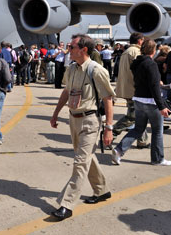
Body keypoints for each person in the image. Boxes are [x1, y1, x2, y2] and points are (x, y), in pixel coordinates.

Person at [49, 34, 114, 221]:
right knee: (85, 157)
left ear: (83, 50)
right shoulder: (71, 69)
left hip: (90, 121)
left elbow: (108, 100)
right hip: (73, 119)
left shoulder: (97, 70)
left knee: (79, 162)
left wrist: (109, 128)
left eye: (71, 46)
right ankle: (101, 190)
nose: (68, 49)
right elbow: (67, 92)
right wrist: (55, 114)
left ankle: (67, 204)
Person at [112, 39, 171, 166]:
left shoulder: (137, 63)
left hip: (138, 99)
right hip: (151, 102)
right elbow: (154, 86)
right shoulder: (151, 64)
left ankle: (119, 150)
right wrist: (161, 106)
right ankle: (158, 159)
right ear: (153, 50)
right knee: (157, 131)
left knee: (138, 129)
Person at [114, 32, 149, 147]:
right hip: (134, 90)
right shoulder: (136, 52)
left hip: (128, 88)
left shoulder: (126, 51)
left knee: (141, 116)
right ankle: (112, 133)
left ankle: (142, 140)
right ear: (139, 41)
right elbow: (140, 71)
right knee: (132, 117)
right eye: (143, 40)